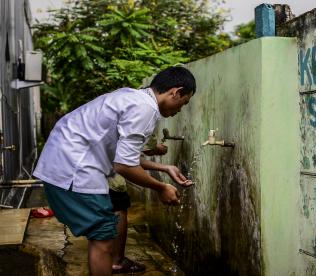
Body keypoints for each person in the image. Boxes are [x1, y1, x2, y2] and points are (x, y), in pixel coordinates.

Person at [33, 66, 196, 276]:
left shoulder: (131, 97)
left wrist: (164, 168)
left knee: (103, 233)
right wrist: (160, 187)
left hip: (62, 162)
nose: (179, 110)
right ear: (176, 91)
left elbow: (123, 157)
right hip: (74, 169)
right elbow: (124, 166)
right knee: (103, 236)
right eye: (183, 103)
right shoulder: (146, 109)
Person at [108, 143, 168, 274]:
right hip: (106, 163)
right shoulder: (142, 121)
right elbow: (125, 162)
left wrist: (165, 168)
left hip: (89, 162)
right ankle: (116, 262)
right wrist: (161, 187)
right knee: (119, 203)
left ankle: (108, 256)